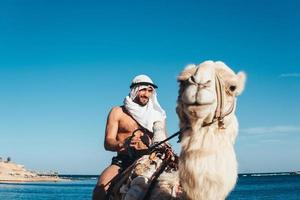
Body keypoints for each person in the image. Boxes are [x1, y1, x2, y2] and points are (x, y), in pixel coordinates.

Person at [93, 75, 166, 200]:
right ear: (135, 90)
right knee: (101, 188)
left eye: (150, 91)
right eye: (143, 90)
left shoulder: (158, 115)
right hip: (124, 161)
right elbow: (108, 142)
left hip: (151, 160)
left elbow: (163, 139)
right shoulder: (118, 112)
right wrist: (123, 144)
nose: (146, 94)